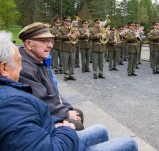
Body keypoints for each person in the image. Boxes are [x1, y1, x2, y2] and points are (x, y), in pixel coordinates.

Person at [0, 31, 138, 151]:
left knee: (100, 129)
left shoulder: (12, 92)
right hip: (55, 139)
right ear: (4, 68)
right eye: (18, 62)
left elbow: (53, 94)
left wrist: (59, 118)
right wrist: (65, 128)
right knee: (129, 142)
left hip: (50, 132)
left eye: (50, 41)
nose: (21, 67)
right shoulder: (10, 103)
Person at [18, 22, 84, 130]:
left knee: (77, 113)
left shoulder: (37, 59)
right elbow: (41, 99)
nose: (50, 45)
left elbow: (54, 91)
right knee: (77, 123)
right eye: (44, 41)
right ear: (29, 44)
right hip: (37, 116)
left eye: (50, 41)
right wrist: (65, 113)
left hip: (47, 109)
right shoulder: (24, 67)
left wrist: (67, 108)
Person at [56, 16, 79, 81]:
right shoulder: (61, 28)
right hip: (64, 48)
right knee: (65, 63)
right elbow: (58, 36)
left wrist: (77, 35)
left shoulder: (73, 28)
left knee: (72, 62)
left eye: (69, 21)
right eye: (67, 21)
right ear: (64, 22)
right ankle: (66, 75)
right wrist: (67, 35)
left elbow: (77, 36)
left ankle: (71, 74)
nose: (68, 22)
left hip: (72, 47)